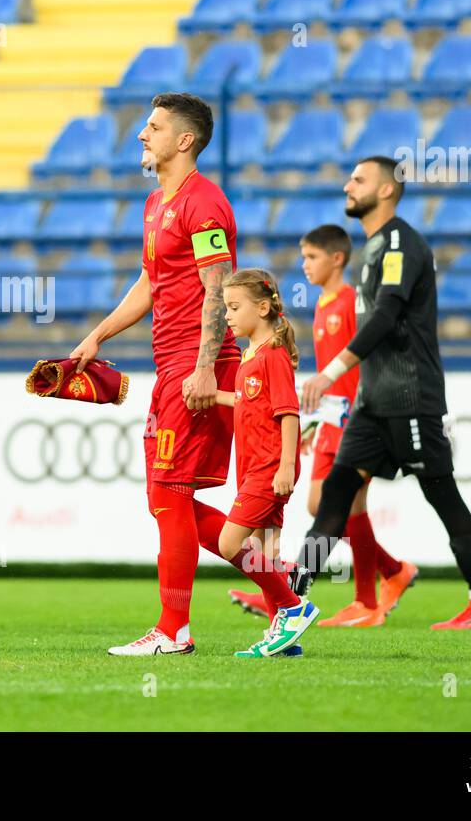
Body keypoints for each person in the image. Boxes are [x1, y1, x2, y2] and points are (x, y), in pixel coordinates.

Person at [295, 156, 471, 630]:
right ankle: (291, 603)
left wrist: (329, 374)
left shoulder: (401, 244)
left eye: (359, 180)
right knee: (334, 498)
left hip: (410, 397)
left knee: (443, 497)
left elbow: (387, 316)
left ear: (386, 190)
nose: (348, 185)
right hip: (372, 402)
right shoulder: (373, 248)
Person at [69, 92, 242, 656]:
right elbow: (150, 284)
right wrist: (98, 335)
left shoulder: (204, 204)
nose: (143, 135)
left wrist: (203, 370)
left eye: (154, 127)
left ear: (184, 140)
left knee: (168, 495)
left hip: (198, 365)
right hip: (171, 365)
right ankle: (287, 593)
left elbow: (219, 289)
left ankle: (174, 631)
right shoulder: (155, 204)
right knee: (174, 501)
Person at [228, 225, 417, 626]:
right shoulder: (322, 306)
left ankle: (350, 597)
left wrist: (364, 413)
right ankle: (388, 574)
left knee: (335, 503)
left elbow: (363, 361)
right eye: (303, 257)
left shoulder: (351, 301)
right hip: (333, 419)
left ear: (337, 259)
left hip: (357, 419)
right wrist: (315, 424)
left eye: (311, 257)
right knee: (327, 504)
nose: (304, 265)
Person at [206, 269, 319, 657]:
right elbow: (246, 402)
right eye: (225, 308)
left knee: (229, 542)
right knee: (265, 550)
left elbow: (289, 413)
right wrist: (211, 396)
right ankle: (285, 639)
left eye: (235, 307)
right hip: (254, 467)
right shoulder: (249, 355)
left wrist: (287, 466)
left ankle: (292, 605)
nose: (228, 316)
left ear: (265, 307)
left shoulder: (272, 355)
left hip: (270, 468)